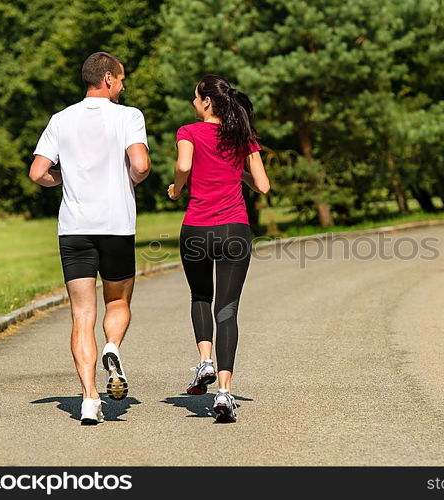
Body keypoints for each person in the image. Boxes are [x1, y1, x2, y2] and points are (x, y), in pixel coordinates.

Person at [29, 52, 150, 425]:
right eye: (122, 78)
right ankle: (112, 346)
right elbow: (142, 165)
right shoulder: (128, 116)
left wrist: (63, 180)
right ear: (109, 79)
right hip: (116, 225)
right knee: (117, 301)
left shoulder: (60, 119)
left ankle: (89, 398)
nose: (124, 85)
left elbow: (37, 173)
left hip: (74, 228)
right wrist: (130, 180)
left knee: (82, 315)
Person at [169, 74, 270, 423]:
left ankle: (205, 362)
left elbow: (184, 165)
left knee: (200, 296)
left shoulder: (189, 132)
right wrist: (235, 173)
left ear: (207, 101)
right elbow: (263, 185)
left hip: (197, 228)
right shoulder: (243, 136)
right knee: (227, 309)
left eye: (195, 96)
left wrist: (177, 187)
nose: (193, 102)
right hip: (234, 230)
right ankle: (224, 392)